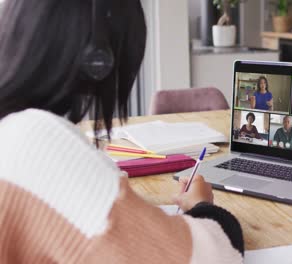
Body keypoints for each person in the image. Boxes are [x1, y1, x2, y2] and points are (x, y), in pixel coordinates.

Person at [0, 1, 243, 263]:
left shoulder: (13, 129)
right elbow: (215, 255)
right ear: (98, 61)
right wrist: (202, 207)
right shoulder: (36, 139)